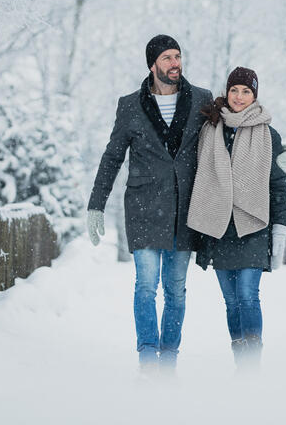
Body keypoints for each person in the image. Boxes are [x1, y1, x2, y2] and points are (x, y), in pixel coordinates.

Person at [86, 34, 213, 372]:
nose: (176, 63)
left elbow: (224, 142)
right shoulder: (130, 105)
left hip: (186, 210)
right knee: (145, 286)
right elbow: (113, 157)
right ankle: (147, 357)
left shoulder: (201, 100)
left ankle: (169, 358)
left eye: (178, 56)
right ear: (153, 63)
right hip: (143, 206)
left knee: (176, 290)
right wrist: (96, 204)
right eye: (168, 57)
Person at [188, 66, 286, 371]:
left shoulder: (270, 135)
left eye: (247, 91)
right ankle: (240, 359)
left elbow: (279, 184)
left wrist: (281, 229)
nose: (240, 96)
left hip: (253, 223)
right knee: (231, 301)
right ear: (227, 92)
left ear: (255, 95)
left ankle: (251, 365)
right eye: (235, 90)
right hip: (219, 226)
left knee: (247, 295)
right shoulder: (210, 130)